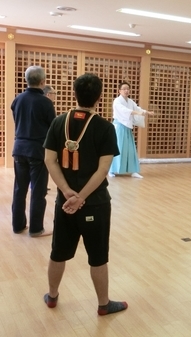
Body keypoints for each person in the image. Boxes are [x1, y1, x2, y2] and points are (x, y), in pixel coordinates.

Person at [43, 73, 128, 315]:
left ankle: (52, 296)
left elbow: (50, 160)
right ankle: (103, 304)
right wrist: (81, 197)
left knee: (58, 251)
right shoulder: (105, 128)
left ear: (74, 94)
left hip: (65, 202)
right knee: (98, 256)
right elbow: (103, 170)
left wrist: (67, 192)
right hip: (96, 204)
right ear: (99, 98)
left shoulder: (59, 122)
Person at [11, 65, 56, 236]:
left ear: (26, 80)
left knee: (19, 188)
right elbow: (52, 127)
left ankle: (18, 225)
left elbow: (17, 120)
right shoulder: (45, 102)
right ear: (43, 82)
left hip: (19, 148)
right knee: (38, 190)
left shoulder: (18, 99)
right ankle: (36, 228)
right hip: (37, 150)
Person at [109, 81, 153, 179]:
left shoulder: (130, 101)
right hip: (119, 127)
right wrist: (138, 113)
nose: (126, 90)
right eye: (124, 89)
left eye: (128, 89)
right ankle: (112, 170)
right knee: (118, 148)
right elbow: (124, 111)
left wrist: (146, 112)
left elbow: (137, 108)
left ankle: (133, 171)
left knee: (130, 149)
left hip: (127, 127)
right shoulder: (117, 101)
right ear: (119, 90)